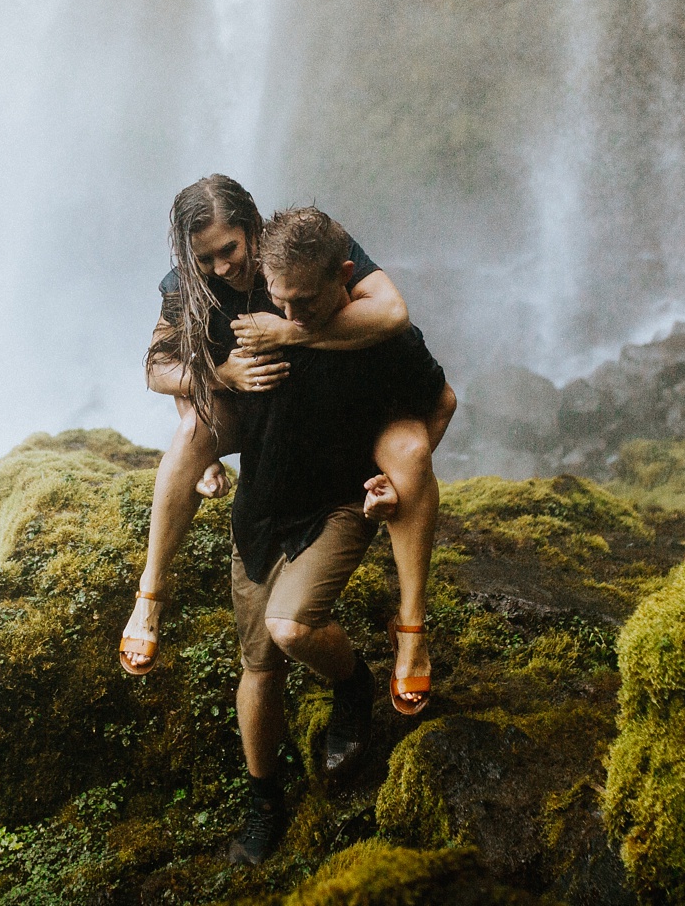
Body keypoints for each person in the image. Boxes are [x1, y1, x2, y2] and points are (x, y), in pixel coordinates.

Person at [118, 176, 456, 717]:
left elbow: (392, 314)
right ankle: (150, 594)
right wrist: (219, 374)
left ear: (252, 227)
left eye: (229, 249)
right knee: (190, 433)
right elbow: (157, 368)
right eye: (206, 258)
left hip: (336, 416)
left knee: (410, 454)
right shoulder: (187, 283)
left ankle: (412, 627)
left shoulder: (305, 252)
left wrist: (288, 333)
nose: (223, 267)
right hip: (248, 408)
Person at [223, 205, 451, 865]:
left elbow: (441, 401)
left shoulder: (379, 339)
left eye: (306, 299)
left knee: (291, 628)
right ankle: (264, 798)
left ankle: (352, 685)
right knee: (257, 668)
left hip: (335, 508)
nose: (290, 314)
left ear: (344, 275)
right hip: (260, 514)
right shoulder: (250, 320)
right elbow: (172, 358)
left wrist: (392, 480)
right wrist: (215, 389)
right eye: (280, 298)